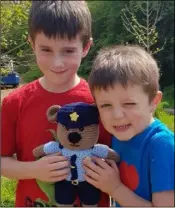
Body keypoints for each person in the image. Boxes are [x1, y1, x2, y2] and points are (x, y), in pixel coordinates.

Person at [1, 1, 111, 207]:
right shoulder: (14, 102)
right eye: (46, 49)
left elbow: (118, 157)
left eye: (68, 51)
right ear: (32, 44)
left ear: (86, 47)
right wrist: (34, 170)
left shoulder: (102, 101)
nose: (57, 63)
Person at [83, 45, 174, 207]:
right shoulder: (118, 134)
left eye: (129, 103)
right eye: (105, 105)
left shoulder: (161, 145)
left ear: (154, 102)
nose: (117, 115)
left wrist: (115, 188)